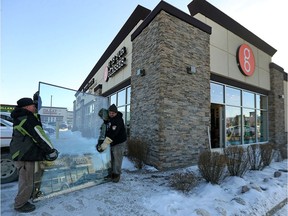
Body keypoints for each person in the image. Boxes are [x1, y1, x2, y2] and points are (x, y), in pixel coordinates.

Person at [10, 97, 58, 213]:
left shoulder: (24, 116)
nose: (35, 107)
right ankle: (20, 204)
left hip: (30, 153)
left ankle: (32, 195)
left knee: (33, 177)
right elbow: (39, 136)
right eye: (33, 105)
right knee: (27, 180)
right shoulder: (26, 118)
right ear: (26, 107)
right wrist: (51, 150)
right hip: (25, 155)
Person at [98, 104, 127, 183]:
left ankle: (116, 175)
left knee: (117, 160)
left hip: (119, 143)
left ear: (116, 113)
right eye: (110, 113)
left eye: (113, 113)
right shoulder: (110, 119)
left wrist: (105, 144)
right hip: (113, 142)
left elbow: (113, 133)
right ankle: (111, 174)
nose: (111, 114)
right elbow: (108, 128)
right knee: (111, 159)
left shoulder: (118, 120)